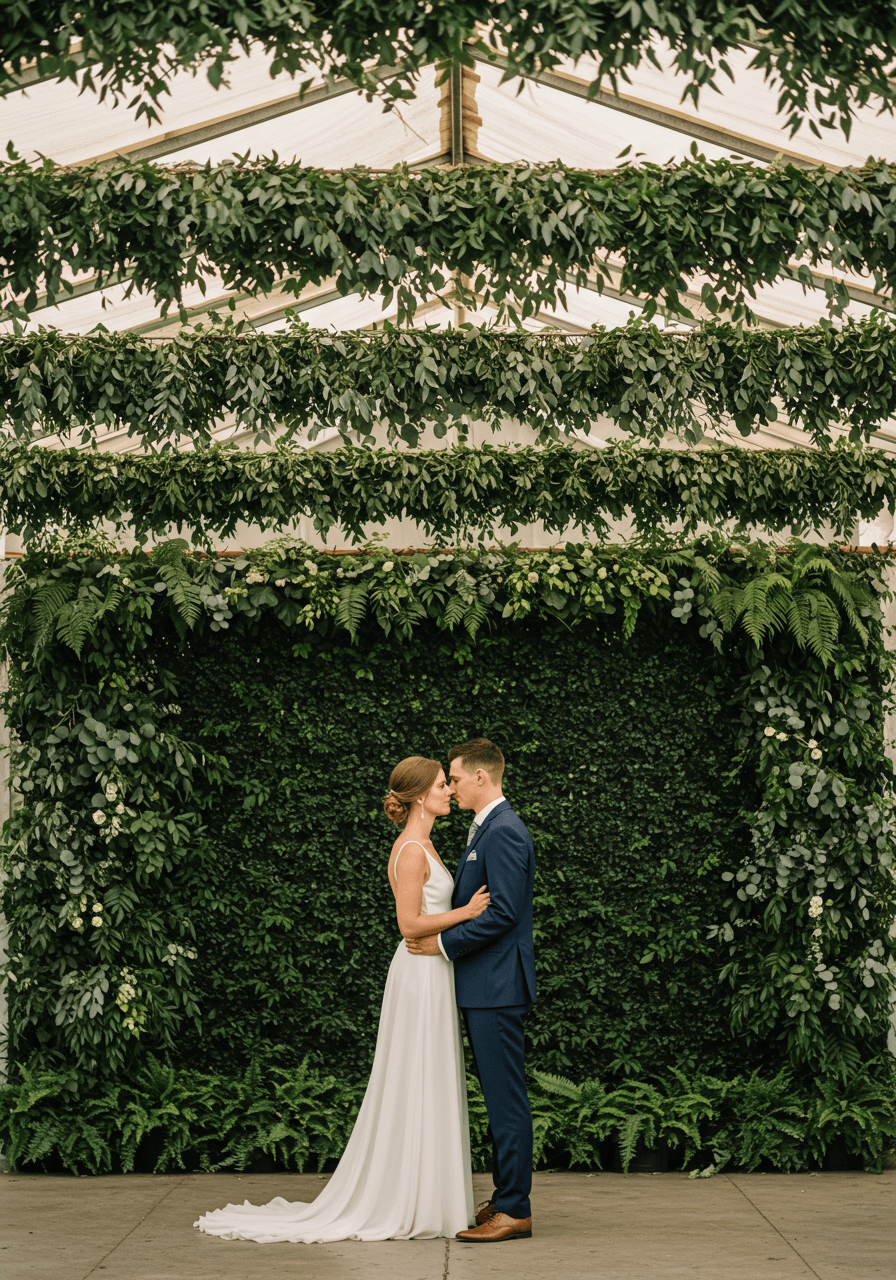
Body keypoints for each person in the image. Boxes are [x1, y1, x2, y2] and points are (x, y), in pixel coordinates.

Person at [194, 756, 490, 1244]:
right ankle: (408, 1198)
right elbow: (409, 924)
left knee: (429, 1075)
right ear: (419, 796)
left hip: (433, 972)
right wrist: (465, 912)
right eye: (442, 785)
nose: (449, 792)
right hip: (419, 973)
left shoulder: (426, 843)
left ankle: (430, 1195)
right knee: (414, 1075)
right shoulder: (412, 849)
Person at [407, 737, 536, 1244]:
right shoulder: (489, 828)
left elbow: (502, 913)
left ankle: (514, 1209)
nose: (451, 786)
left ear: (482, 777)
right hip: (487, 986)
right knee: (499, 1096)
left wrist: (442, 943)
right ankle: (506, 1198)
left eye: (455, 778)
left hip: (497, 986)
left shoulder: (502, 831)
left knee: (506, 1100)